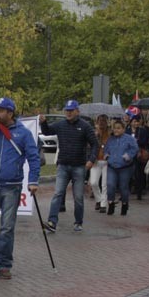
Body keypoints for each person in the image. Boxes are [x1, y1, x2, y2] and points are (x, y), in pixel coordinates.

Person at [0, 97, 40, 280]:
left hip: (11, 187)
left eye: (1, 110)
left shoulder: (23, 133)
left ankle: (4, 264)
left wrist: (33, 180)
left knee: (7, 228)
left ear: (10, 113)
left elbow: (33, 158)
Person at [39, 100, 98, 233]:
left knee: (78, 197)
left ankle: (78, 222)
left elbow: (95, 144)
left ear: (77, 111)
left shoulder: (85, 126)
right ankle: (52, 222)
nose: (69, 113)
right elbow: (47, 131)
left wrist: (91, 160)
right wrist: (43, 122)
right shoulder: (60, 125)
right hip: (63, 165)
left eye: (71, 110)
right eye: (67, 110)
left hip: (79, 166)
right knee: (58, 193)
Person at [104, 119, 138, 215]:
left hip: (125, 167)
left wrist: (128, 156)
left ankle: (124, 204)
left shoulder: (129, 138)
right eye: (115, 128)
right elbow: (106, 149)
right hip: (112, 166)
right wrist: (106, 155)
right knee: (110, 185)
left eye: (118, 128)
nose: (116, 130)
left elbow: (135, 148)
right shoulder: (111, 139)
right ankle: (110, 203)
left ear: (123, 129)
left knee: (123, 187)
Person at [90, 114, 111, 211]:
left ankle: (103, 204)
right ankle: (98, 199)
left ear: (107, 122)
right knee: (93, 182)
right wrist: (96, 136)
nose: (102, 123)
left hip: (107, 161)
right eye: (100, 121)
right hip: (96, 161)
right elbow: (89, 145)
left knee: (104, 184)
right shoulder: (94, 133)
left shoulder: (111, 133)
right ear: (97, 122)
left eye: (104, 121)